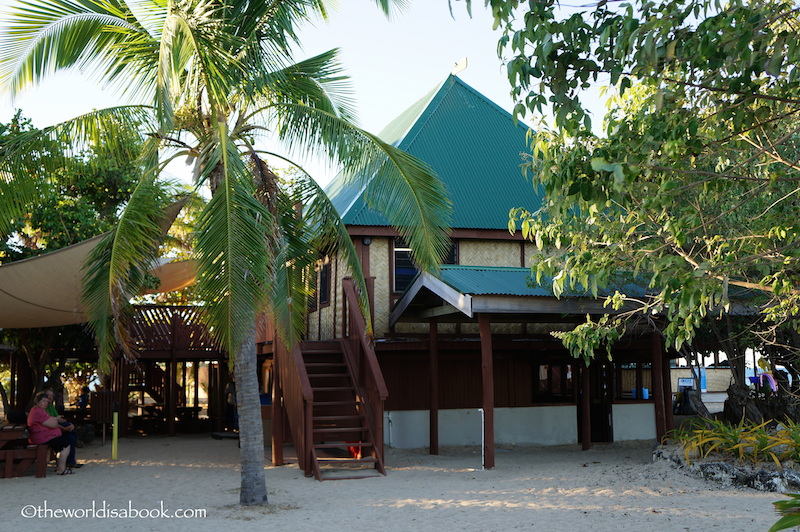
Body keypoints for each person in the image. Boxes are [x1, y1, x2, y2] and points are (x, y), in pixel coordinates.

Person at [27, 391, 73, 475]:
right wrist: (54, 420)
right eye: (43, 401)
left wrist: (54, 420)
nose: (46, 403)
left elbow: (52, 422)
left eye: (47, 402)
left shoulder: (39, 410)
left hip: (45, 436)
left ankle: (60, 467)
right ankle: (61, 469)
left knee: (66, 440)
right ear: (37, 401)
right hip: (43, 438)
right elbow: (54, 424)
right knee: (66, 446)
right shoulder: (38, 412)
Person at [43, 388, 82, 468]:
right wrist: (65, 428)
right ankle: (76, 438)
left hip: (55, 429)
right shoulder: (41, 409)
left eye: (51, 395)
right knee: (70, 435)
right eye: (48, 395)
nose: (50, 397)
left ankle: (71, 461)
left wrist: (68, 424)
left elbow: (58, 418)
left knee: (71, 437)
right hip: (49, 432)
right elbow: (52, 423)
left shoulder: (50, 406)